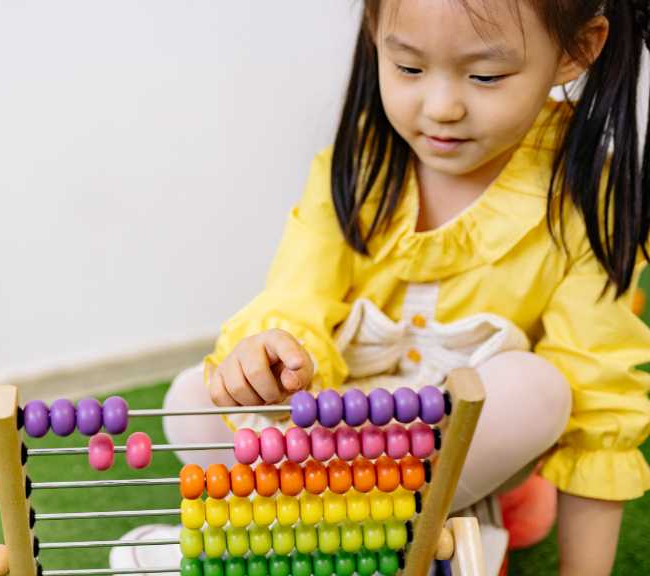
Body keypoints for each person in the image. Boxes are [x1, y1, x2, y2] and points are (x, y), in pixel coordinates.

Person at [110, 1, 650, 575]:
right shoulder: (354, 164)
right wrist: (273, 355)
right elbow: (295, 298)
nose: (442, 108)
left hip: (443, 450)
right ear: (377, 36)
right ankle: (378, 539)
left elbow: (600, 406)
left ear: (578, 50)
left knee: (542, 390)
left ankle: (322, 532)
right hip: (322, 438)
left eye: (486, 77)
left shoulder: (592, 200)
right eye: (409, 69)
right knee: (190, 397)